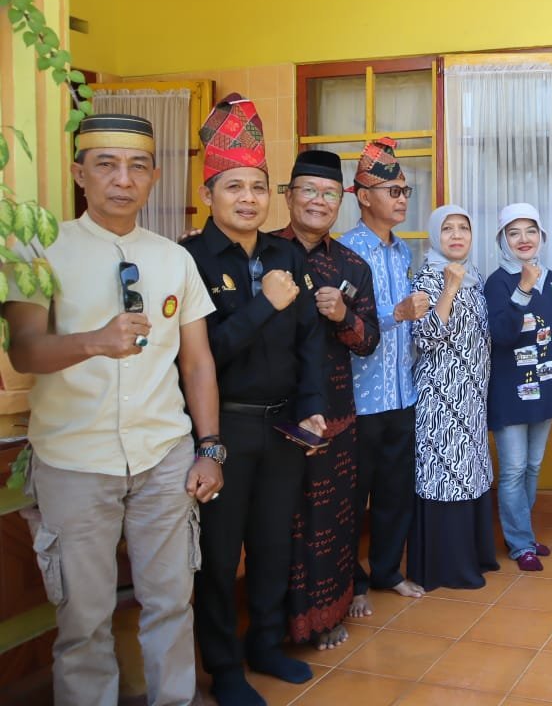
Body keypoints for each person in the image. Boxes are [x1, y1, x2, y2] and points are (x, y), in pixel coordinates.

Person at [4, 114, 221, 706]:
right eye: (106, 165)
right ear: (80, 174)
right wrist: (94, 341)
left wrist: (210, 448)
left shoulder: (174, 258)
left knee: (171, 602)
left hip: (163, 456)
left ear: (154, 177)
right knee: (84, 617)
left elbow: (197, 362)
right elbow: (24, 350)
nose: (122, 179)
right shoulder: (39, 249)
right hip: (75, 459)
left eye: (137, 167)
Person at [183, 93, 327, 706]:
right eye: (234, 186)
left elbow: (310, 339)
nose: (248, 198)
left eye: (259, 187)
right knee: (218, 557)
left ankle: (265, 644)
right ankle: (224, 668)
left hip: (283, 427)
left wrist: (313, 403)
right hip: (222, 429)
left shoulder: (285, 253)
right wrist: (264, 304)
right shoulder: (189, 259)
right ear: (209, 192)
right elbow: (201, 354)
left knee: (273, 544)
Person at [273, 150, 380, 650]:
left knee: (331, 519)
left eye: (330, 194)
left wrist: (343, 317)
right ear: (289, 195)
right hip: (272, 414)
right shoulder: (261, 252)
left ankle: (328, 616)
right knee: (279, 522)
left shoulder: (351, 265)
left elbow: (369, 340)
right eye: (309, 191)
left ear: (342, 202)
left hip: (335, 414)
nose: (318, 201)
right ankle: (275, 626)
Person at [337, 138, 431, 615]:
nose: (402, 199)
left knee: (396, 493)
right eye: (393, 191)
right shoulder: (344, 252)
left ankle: (388, 571)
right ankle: (351, 582)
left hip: (402, 393)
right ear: (363, 196)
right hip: (360, 398)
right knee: (353, 499)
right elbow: (341, 325)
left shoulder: (401, 252)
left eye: (405, 191)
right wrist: (397, 313)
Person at [407, 205, 499, 590]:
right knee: (446, 474)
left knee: (470, 472)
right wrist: (448, 289)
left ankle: (475, 555)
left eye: (464, 228)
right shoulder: (427, 277)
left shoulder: (474, 277)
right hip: (440, 397)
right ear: (435, 235)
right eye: (448, 228)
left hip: (472, 396)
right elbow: (425, 337)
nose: (457, 235)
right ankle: (448, 568)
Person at [484, 202, 552, 571]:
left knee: (533, 466)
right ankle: (519, 544)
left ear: (541, 236)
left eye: (530, 231)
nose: (523, 239)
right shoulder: (497, 282)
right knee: (514, 469)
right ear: (502, 239)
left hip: (545, 387)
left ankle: (525, 533)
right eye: (513, 232)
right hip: (510, 392)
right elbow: (501, 334)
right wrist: (523, 288)